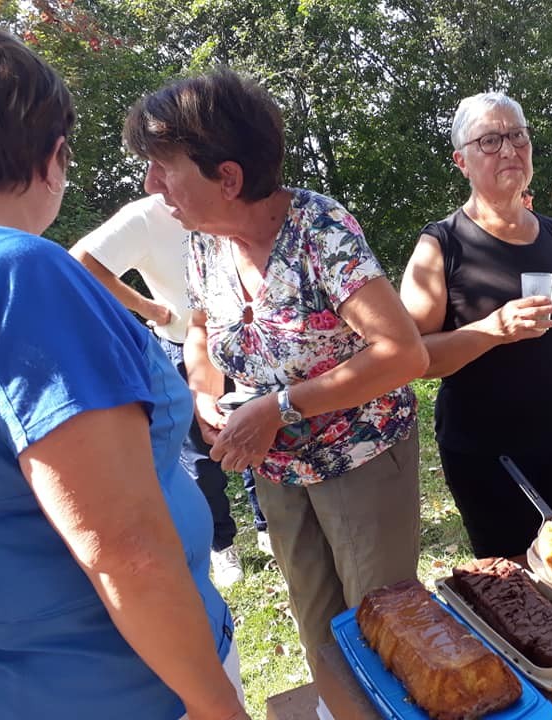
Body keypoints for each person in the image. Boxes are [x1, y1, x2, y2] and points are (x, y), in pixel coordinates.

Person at [122, 69, 429, 675]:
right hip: (276, 466)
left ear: (228, 178)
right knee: (318, 628)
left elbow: (403, 353)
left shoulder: (320, 231)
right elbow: (204, 330)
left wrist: (279, 407)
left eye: (164, 166)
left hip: (360, 458)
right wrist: (205, 392)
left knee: (384, 626)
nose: (152, 184)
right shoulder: (203, 239)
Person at [0, 29, 248, 719]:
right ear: (52, 157)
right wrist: (218, 706)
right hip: (125, 689)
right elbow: (126, 552)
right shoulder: (23, 275)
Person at [400, 92, 552, 558]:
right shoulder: (442, 244)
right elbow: (413, 357)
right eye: (489, 140)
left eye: (517, 136)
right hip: (488, 457)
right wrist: (494, 328)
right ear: (460, 160)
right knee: (512, 587)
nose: (508, 149)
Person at [70, 196, 270, 587]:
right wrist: (145, 306)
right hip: (183, 346)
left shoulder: (228, 194)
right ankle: (222, 547)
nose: (155, 179)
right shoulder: (144, 216)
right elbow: (81, 262)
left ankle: (268, 527)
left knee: (256, 432)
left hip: (244, 338)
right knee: (200, 457)